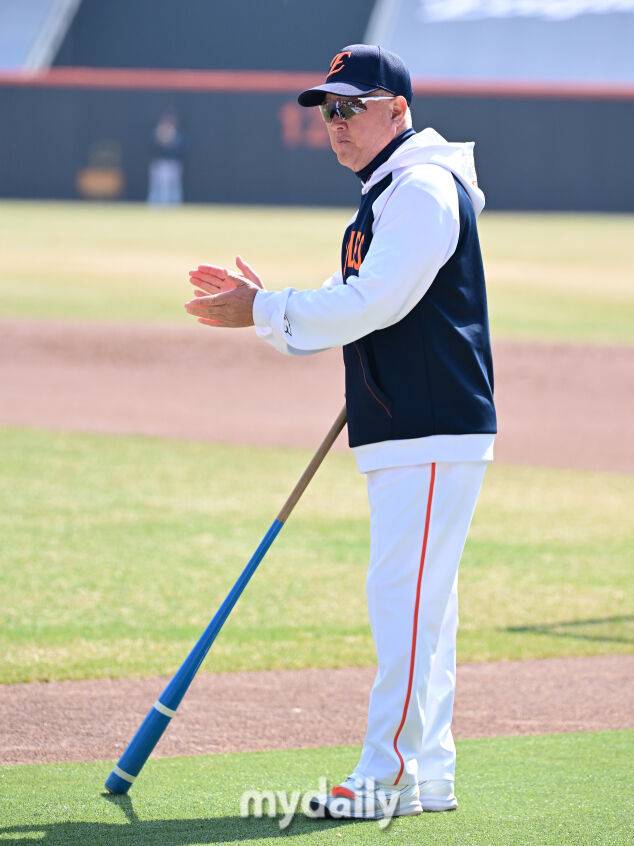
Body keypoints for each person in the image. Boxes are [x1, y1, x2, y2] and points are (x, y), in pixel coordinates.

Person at [185, 44, 496, 822]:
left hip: (429, 426)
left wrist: (265, 310)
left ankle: (385, 775)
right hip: (412, 428)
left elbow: (373, 303)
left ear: (399, 110)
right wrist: (268, 310)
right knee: (423, 609)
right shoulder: (389, 192)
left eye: (353, 106)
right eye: (329, 109)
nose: (336, 122)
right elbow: (346, 298)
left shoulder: (421, 190)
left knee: (403, 603)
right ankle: (426, 774)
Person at [147, 111, 184, 205]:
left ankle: (174, 205)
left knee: (173, 186)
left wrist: (169, 143)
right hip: (159, 163)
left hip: (172, 163)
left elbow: (180, 148)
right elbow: (152, 147)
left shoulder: (176, 134)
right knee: (157, 185)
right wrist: (161, 140)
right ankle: (155, 204)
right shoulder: (157, 132)